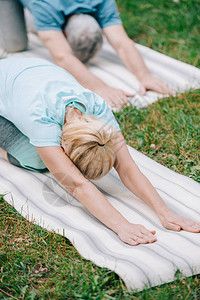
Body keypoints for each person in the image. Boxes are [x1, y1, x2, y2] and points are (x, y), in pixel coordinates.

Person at [0, 57, 199, 246]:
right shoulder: (41, 121)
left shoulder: (99, 110)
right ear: (63, 147)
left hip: (25, 74)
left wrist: (165, 212)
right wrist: (121, 225)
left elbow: (128, 169)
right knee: (36, 160)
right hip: (12, 81)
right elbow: (77, 185)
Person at [18, 0, 173, 108]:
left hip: (54, 11)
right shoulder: (44, 4)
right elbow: (62, 57)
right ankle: (35, 21)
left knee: (84, 32)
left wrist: (144, 75)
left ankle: (47, 27)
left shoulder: (101, 1)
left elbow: (121, 43)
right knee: (15, 45)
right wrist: (100, 88)